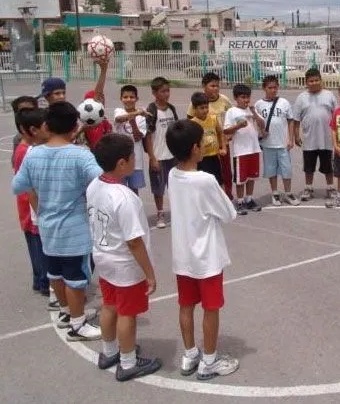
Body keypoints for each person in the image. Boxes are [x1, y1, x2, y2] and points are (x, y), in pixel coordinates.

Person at [12, 101, 103, 341]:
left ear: (47, 124)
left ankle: (66, 312)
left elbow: (18, 185)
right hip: (74, 228)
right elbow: (101, 182)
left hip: (47, 225)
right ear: (75, 126)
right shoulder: (80, 155)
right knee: (76, 278)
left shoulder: (33, 154)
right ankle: (78, 323)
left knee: (55, 273)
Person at [166, 120, 239, 380]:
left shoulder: (173, 174)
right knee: (211, 307)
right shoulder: (205, 180)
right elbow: (229, 213)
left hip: (182, 255)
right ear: (196, 148)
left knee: (186, 305)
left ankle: (190, 354)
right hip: (206, 257)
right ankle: (209, 361)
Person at [87, 134, 161, 382]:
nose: (133, 161)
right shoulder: (125, 198)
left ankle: (109, 352)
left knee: (110, 306)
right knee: (127, 312)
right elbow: (134, 241)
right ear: (121, 163)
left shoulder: (94, 185)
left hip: (104, 257)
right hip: (124, 264)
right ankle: (128, 362)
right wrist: (149, 273)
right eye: (131, 158)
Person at [13, 108, 50, 299]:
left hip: (32, 209)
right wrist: (41, 213)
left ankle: (40, 280)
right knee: (40, 247)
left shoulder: (26, 148)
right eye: (46, 125)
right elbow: (30, 187)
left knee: (37, 246)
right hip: (34, 210)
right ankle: (45, 282)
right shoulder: (28, 152)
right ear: (33, 130)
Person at [254, 75, 300, 206]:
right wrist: (261, 133)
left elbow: (290, 121)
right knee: (271, 170)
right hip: (268, 144)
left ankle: (288, 193)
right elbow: (257, 123)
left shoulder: (284, 102)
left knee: (287, 170)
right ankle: (275, 193)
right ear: (264, 88)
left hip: (283, 144)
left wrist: (290, 139)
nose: (273, 90)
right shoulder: (259, 105)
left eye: (275, 87)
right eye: (270, 88)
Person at [292, 68, 337, 202]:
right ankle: (308, 188)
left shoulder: (329, 95)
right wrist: (296, 135)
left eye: (316, 80)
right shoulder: (301, 97)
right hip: (309, 139)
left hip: (326, 139)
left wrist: (338, 136)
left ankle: (330, 188)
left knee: (328, 166)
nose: (314, 83)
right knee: (309, 167)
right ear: (306, 82)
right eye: (311, 81)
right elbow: (296, 119)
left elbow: (336, 116)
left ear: (321, 80)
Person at [188, 72, 234, 199]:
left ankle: (226, 196)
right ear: (204, 86)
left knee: (224, 173)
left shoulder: (224, 100)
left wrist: (228, 136)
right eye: (212, 86)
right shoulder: (195, 104)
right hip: (202, 154)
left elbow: (232, 116)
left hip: (220, 146)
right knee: (202, 178)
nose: (216, 88)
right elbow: (190, 128)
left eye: (217, 86)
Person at [223, 84, 265, 215]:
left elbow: (262, 124)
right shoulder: (232, 112)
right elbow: (226, 130)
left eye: (248, 97)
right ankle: (240, 201)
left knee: (251, 177)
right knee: (240, 179)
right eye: (243, 97)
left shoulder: (252, 110)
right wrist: (238, 126)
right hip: (240, 151)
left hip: (254, 149)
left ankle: (249, 199)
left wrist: (254, 113)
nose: (246, 100)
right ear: (236, 98)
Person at [145, 77, 178, 228]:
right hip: (158, 156)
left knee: (175, 185)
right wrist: (152, 158)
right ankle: (160, 213)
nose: (166, 94)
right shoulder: (151, 111)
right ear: (154, 92)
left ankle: (177, 211)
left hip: (173, 156)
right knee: (159, 188)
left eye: (168, 90)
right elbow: (148, 136)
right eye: (163, 91)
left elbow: (176, 131)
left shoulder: (171, 109)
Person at [113, 85, 148, 195]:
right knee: (121, 189)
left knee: (134, 190)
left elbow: (138, 137)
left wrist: (133, 122)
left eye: (131, 97)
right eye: (125, 97)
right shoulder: (118, 111)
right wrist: (136, 113)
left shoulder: (142, 118)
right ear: (121, 98)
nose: (128, 100)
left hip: (135, 161)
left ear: (136, 98)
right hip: (120, 159)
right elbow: (119, 119)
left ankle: (134, 211)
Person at [190, 91, 225, 185]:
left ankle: (218, 199)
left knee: (217, 182)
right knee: (203, 184)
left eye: (206, 107)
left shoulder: (213, 118)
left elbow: (220, 132)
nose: (205, 110)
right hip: (201, 159)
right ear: (194, 108)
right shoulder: (192, 123)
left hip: (214, 156)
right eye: (202, 108)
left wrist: (223, 147)